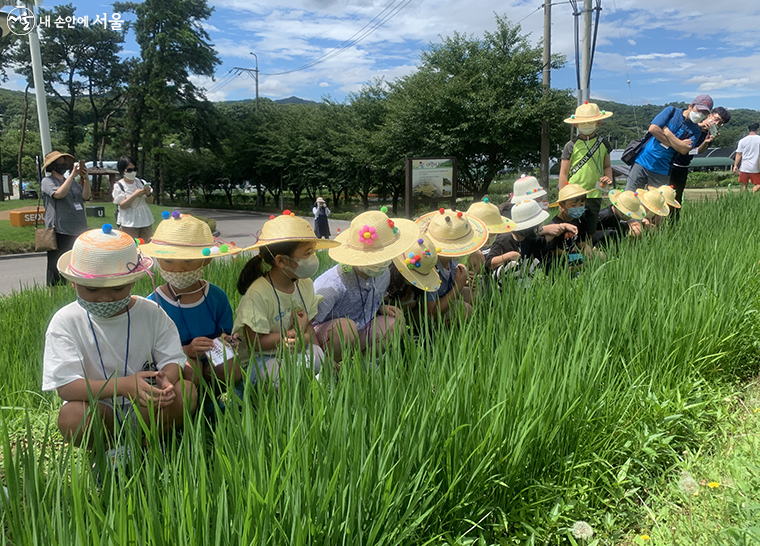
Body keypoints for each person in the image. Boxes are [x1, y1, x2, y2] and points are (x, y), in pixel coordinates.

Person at [42, 225, 196, 448]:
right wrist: (122, 386)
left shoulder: (151, 313)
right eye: (92, 289)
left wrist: (166, 379)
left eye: (118, 288)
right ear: (73, 282)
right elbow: (66, 385)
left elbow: (172, 358)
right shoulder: (66, 321)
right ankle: (111, 449)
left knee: (187, 391)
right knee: (72, 416)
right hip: (98, 407)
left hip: (147, 403)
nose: (105, 298)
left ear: (133, 281)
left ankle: (145, 443)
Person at [233, 211, 339, 392]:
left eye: (313, 251)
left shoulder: (305, 284)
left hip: (293, 353)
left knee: (319, 357)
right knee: (282, 376)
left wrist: (317, 351)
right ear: (281, 261)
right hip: (261, 359)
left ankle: (315, 394)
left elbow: (309, 330)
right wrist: (294, 333)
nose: (314, 257)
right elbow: (255, 342)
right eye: (308, 253)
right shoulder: (259, 293)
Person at [140, 213, 243, 389]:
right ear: (157, 258)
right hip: (176, 358)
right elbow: (152, 351)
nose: (178, 268)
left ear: (206, 260)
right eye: (169, 260)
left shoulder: (216, 296)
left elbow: (226, 332)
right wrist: (187, 351)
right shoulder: (154, 303)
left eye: (188, 260)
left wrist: (227, 339)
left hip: (212, 355)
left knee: (231, 368)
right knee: (191, 370)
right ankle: (194, 405)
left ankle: (221, 401)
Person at [313, 209, 418, 363]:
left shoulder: (383, 274)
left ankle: (360, 367)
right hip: (330, 338)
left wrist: (380, 307)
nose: (380, 263)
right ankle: (329, 370)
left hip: (362, 327)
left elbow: (372, 298)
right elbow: (309, 324)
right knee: (345, 329)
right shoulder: (332, 284)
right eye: (373, 258)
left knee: (395, 322)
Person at [626, 95, 713, 192]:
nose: (700, 114)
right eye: (699, 110)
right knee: (629, 199)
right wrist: (677, 144)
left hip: (662, 169)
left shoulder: (696, 130)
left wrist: (667, 133)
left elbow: (684, 150)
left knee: (655, 204)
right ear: (690, 106)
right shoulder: (671, 112)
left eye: (704, 113)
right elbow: (653, 129)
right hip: (642, 161)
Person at [415, 209, 488, 319]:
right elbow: (431, 312)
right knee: (466, 311)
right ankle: (437, 332)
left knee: (475, 294)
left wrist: (464, 280)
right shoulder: (430, 267)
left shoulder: (450, 259)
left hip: (445, 295)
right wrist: (458, 286)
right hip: (429, 310)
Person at [559, 102, 614, 234]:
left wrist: (609, 177)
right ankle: (569, 252)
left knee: (590, 228)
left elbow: (607, 166)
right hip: (573, 194)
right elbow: (563, 172)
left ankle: (588, 250)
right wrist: (562, 197)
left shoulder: (604, 143)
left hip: (595, 193)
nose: (587, 126)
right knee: (570, 228)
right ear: (576, 124)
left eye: (591, 122)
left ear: (598, 123)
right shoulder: (571, 145)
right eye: (583, 123)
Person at [40, 151, 91, 286]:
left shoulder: (72, 182)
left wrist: (85, 179)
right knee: (56, 263)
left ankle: (71, 287)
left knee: (74, 262)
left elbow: (85, 196)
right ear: (52, 165)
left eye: (64, 162)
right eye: (59, 162)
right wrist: (72, 176)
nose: (63, 164)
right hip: (59, 229)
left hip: (77, 227)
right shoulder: (47, 181)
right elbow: (58, 194)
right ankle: (53, 292)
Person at [670, 107, 731, 219]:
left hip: (683, 166)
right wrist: (699, 127)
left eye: (720, 123)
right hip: (669, 163)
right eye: (716, 119)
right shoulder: (693, 123)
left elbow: (696, 150)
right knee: (661, 196)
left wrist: (706, 142)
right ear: (709, 116)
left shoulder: (708, 134)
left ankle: (672, 226)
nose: (716, 123)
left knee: (676, 199)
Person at [547, 184, 602, 268]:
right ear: (562, 205)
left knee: (601, 256)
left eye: (581, 205)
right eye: (573, 205)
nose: (577, 208)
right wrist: (571, 255)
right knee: (575, 266)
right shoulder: (555, 225)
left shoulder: (581, 220)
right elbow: (554, 250)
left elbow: (581, 241)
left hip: (574, 254)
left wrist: (586, 247)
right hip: (559, 258)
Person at [466, 198, 517, 276]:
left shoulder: (478, 255)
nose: (489, 241)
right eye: (486, 237)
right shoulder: (473, 255)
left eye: (492, 236)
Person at [112, 155, 155, 241]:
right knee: (131, 247)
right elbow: (122, 205)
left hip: (145, 220)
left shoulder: (141, 182)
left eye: (134, 169)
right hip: (129, 223)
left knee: (146, 246)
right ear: (122, 171)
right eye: (129, 170)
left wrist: (148, 194)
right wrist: (135, 195)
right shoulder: (119, 186)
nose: (133, 172)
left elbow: (150, 202)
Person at [733, 122, 760, 193]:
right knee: (758, 184)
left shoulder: (742, 141)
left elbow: (739, 154)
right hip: (756, 167)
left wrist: (735, 165)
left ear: (748, 130)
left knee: (744, 184)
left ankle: (744, 198)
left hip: (744, 167)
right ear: (757, 130)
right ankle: (752, 195)